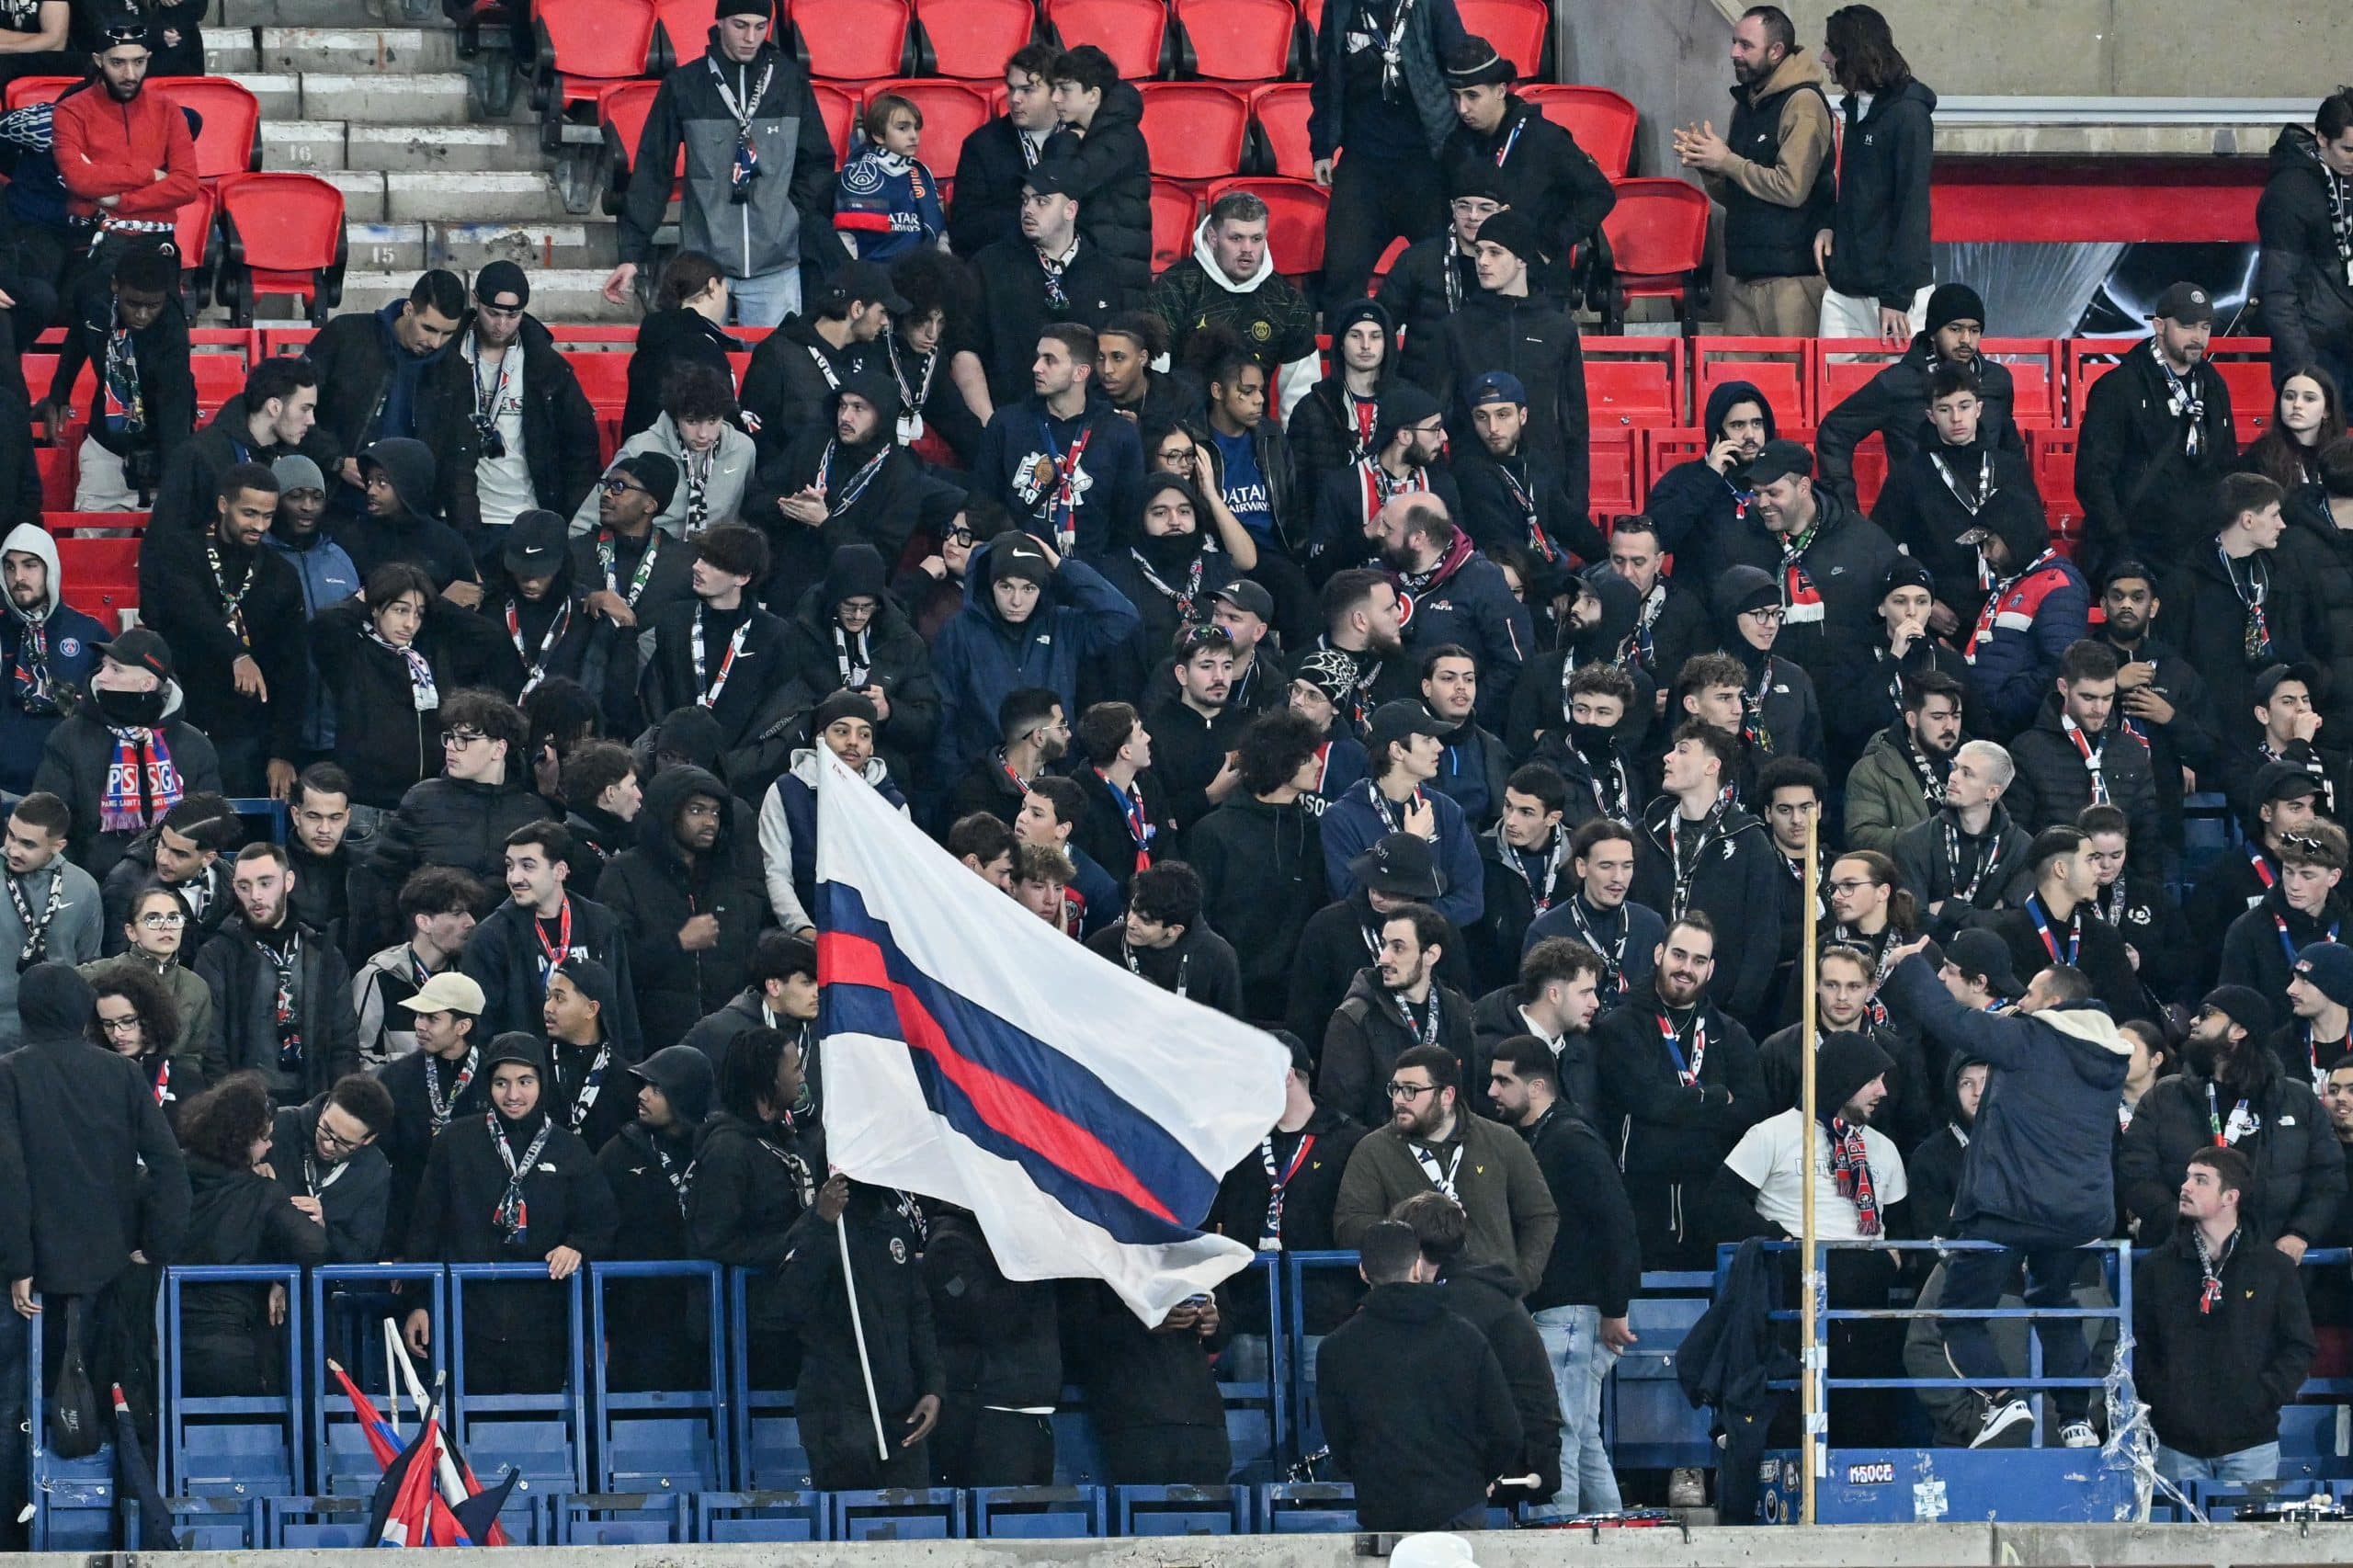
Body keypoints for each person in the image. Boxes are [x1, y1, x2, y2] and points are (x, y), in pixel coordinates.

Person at [1877, 939, 2129, 1447]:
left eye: (2032, 994)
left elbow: (1947, 1019)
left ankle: (2002, 1401)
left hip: (2009, 1210)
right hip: (2079, 1216)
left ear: (2055, 1004)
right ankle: (2076, 1419)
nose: (2023, 1002)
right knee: (2054, 1306)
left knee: (1959, 1315)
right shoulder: (2110, 1059)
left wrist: (1912, 967)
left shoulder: (2031, 1039)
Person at [0, 961, 188, 1518]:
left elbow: (8, 1177)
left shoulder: (9, 1073)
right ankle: (126, 1521)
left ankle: (12, 1528)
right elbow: (167, 1166)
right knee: (121, 1400)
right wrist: (154, 1245)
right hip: (113, 1269)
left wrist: (18, 1263)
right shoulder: (123, 1075)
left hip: (28, 1280)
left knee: (14, 1403)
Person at [604, 0, 843, 327]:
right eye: (740, 25)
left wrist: (789, 214)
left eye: (760, 27)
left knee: (771, 370)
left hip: (775, 263)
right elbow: (653, 171)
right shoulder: (685, 84)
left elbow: (817, 161)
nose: (750, 37)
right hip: (704, 264)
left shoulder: (790, 82)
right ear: (719, 22)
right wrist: (631, 254)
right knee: (697, 370)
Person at [404, 1033, 617, 1392]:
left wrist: (577, 1245)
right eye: (502, 1083)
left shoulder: (569, 1149)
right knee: (466, 1426)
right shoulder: (454, 1142)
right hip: (465, 1318)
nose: (513, 1095)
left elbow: (601, 1219)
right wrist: (418, 1302)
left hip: (542, 1323)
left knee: (534, 1432)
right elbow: (425, 1227)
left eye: (525, 1082)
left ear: (542, 1083)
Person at [1484, 1032, 1637, 1517]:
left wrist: (1615, 1307)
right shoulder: (1545, 1136)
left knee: (1561, 1431)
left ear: (1536, 1086)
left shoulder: (1570, 1139)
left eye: (1501, 1081)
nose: (1491, 1092)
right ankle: (1616, 1547)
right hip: (1565, 1310)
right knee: (1583, 1433)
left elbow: (1617, 1223)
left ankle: (1560, 1548)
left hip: (1572, 1311)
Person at [1315, 1219, 1521, 1532]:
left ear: (1363, 1272)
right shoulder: (1465, 1337)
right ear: (1416, 1267)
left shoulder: (1335, 1348)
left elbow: (1341, 1444)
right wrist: (1475, 1479)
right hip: (1459, 1506)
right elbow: (1507, 1431)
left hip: (1382, 1513)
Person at [1592, 913, 1768, 1267]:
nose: (1686, 968)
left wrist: (1675, 1108)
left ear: (1711, 970)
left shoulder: (1731, 1034)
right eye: (1679, 955)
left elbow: (1752, 1111)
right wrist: (1715, 1097)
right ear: (1659, 954)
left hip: (1711, 1202)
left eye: (1698, 960)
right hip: (1639, 1200)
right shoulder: (1620, 1025)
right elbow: (1648, 1100)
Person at [2135, 1145, 2316, 1485]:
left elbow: (2299, 1346)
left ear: (2230, 1196)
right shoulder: (2157, 1268)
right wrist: (2164, 1402)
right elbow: (2139, 1345)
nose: (2185, 1187)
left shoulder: (2272, 1268)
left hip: (2251, 1443)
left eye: (2200, 1180)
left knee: (2250, 1539)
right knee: (2177, 1540)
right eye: (2187, 1178)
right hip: (2176, 1444)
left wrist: (2261, 1398)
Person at [2122, 983, 2342, 1251]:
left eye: (2206, 1014)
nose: (2193, 1020)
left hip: (2272, 1266)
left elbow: (2327, 1177)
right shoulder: (2164, 1096)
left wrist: (2300, 1233)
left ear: (2239, 1030)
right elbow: (2136, 1172)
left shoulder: (2298, 1100)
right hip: (2181, 1260)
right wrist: (2181, 1226)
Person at [137, 462, 308, 796]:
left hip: (247, 736)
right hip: (177, 724)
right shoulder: (180, 552)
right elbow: (188, 611)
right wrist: (237, 654)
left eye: (268, 516)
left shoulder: (280, 574)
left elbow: (294, 669)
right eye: (249, 513)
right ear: (222, 505)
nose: (259, 526)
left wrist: (283, 751)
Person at [1333, 1042, 1557, 1292]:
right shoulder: (1373, 1150)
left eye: (1411, 1090)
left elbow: (1540, 1215)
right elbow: (1349, 1226)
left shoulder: (1501, 1141)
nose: (1398, 1100)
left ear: (1447, 1096)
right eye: (1395, 1089)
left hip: (1491, 1303)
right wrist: (1413, 1224)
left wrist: (1522, 1279)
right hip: (1415, 1305)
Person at [774, 1173, 943, 1489]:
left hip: (901, 1410)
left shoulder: (896, 1228)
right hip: (837, 1409)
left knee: (913, 1529)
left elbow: (918, 1314)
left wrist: (932, 1386)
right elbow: (787, 1306)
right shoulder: (814, 1227)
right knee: (854, 1528)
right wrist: (822, 1226)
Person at [1671, 6, 1832, 336]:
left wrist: (1727, 161)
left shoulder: (1803, 102)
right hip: (1745, 280)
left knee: (1793, 386)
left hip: (1793, 284)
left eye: (1745, 45)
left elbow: (1791, 188)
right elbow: (1738, 195)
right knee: (1734, 386)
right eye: (1734, 42)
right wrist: (1709, 165)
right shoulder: (1746, 105)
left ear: (1776, 51)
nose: (1734, 53)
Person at [167, 1073, 330, 1397]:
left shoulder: (164, 1176)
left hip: (156, 1339)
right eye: (265, 1137)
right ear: (243, 1140)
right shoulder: (261, 1192)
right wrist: (281, 1277)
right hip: (228, 1345)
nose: (270, 1145)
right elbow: (313, 1246)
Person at [305, 563, 506, 813]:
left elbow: (490, 636)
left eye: (418, 614)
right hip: (370, 807)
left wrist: (432, 601)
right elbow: (323, 624)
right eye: (400, 610)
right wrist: (366, 597)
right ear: (376, 608)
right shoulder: (352, 653)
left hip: (430, 804)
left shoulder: (432, 652)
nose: (410, 623)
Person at [1306, 0, 1469, 309]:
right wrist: (1323, 146)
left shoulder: (1432, 4)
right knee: (1341, 278)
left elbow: (1460, 67)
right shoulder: (1340, 6)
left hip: (1427, 166)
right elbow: (1328, 75)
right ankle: (1345, 354)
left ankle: (1438, 354)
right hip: (1363, 166)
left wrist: (1463, 152)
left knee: (1443, 278)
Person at [32, 628, 222, 881]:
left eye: (116, 669)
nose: (101, 677)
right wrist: (79, 886)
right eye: (103, 666)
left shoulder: (195, 746)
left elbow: (209, 830)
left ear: (147, 683)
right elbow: (47, 824)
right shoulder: (68, 738)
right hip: (90, 886)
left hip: (175, 888)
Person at [2078, 282, 2240, 576]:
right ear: (2159, 326)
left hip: (2200, 552)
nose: (2198, 338)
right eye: (2187, 326)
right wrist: (2121, 546)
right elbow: (2093, 478)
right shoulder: (2118, 387)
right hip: (2136, 551)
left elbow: (2226, 466)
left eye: (2205, 327)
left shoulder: (2214, 385)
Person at [300, 273, 480, 533]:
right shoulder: (346, 335)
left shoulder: (455, 373)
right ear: (409, 310)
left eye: (447, 333)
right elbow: (291, 408)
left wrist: (466, 545)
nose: (436, 343)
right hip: (332, 506)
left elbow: (460, 464)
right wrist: (336, 461)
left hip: (407, 522)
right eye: (428, 328)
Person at [1186, 710, 1331, 1022]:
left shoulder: (1315, 831)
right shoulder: (1214, 832)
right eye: (1307, 758)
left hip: (1297, 1002)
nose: (1318, 764)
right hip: (1231, 1002)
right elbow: (1200, 922)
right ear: (1280, 761)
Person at [1441, 37, 1614, 295]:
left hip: (1539, 286)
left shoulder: (1545, 139)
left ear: (1501, 91)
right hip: (1475, 282)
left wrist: (1549, 246)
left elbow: (1600, 194)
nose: (1463, 108)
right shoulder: (1456, 144)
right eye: (1455, 97)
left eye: (1472, 96)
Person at [1631, 723, 1779, 1024]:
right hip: (1645, 1006)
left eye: (1682, 750)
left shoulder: (1750, 841)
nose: (1667, 758)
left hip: (1719, 1013)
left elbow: (1763, 937)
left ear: (1712, 767)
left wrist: (1737, 1010)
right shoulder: (1646, 833)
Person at [1442, 210, 1589, 511]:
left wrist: (1576, 498)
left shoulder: (1558, 329)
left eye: (1495, 253)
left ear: (1522, 259)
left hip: (1546, 483)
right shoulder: (1457, 327)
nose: (1482, 261)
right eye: (1479, 252)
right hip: (1475, 487)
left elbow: (1575, 421)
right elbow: (1440, 411)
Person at [1746, 437, 1900, 719]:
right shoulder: (1746, 539)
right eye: (1757, 493)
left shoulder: (1860, 539)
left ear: (1803, 487)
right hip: (1775, 701)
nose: (1762, 503)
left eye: (1773, 493)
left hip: (1847, 702)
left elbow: (1899, 597)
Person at [1864, 360, 2037, 608]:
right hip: (1938, 608)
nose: (1956, 418)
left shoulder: (2011, 467)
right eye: (1944, 409)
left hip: (2009, 600)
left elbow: (2033, 537)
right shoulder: (1909, 475)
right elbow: (1880, 548)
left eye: (1964, 406)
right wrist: (1925, 601)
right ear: (1930, 416)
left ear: (1979, 409)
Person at [198, 842, 359, 1106]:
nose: (255, 896)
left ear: (289, 881)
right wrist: (228, 1107)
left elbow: (344, 1043)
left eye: (266, 883)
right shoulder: (218, 954)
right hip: (245, 1106)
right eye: (244, 886)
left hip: (314, 1103)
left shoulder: (323, 953)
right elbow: (211, 1046)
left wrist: (340, 1105)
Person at [597, 1043, 715, 1392]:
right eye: (644, 1086)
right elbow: (599, 1237)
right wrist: (600, 1325)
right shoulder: (617, 1154)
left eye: (657, 1089)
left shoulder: (718, 1150)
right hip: (636, 1319)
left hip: (704, 1318)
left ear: (685, 1096)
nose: (643, 1096)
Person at [1811, 5, 1934, 342]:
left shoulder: (1908, 115)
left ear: (1853, 53)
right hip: (1845, 289)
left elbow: (1912, 211)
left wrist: (1896, 298)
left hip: (1895, 297)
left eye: (1831, 49)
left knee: (1903, 392)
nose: (1823, 57)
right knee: (1828, 387)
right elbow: (1860, 192)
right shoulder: (1856, 108)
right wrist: (1831, 224)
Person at [773, 544, 938, 790]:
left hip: (882, 777)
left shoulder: (904, 642)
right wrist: (826, 710)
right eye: (849, 606)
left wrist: (889, 711)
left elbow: (928, 722)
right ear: (833, 600)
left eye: (867, 606)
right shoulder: (798, 635)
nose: (858, 615)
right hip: (810, 771)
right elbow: (776, 711)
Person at [966, 165, 1129, 411]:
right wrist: (989, 424)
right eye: (1025, 200)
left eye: (1041, 201)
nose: (1028, 209)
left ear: (1070, 210)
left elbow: (1118, 354)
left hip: (1086, 425)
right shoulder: (989, 266)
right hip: (1010, 421)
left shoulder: (1105, 273)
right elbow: (965, 350)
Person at [462, 819, 639, 1046]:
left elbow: (622, 1007)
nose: (514, 878)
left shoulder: (601, 923)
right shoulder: (491, 937)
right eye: (509, 866)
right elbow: (484, 1027)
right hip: (529, 1073)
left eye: (528, 866)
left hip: (597, 1069)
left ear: (560, 871)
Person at [457, 262, 601, 539]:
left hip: (524, 512)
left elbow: (581, 445)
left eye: (513, 316)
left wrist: (571, 516)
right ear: (475, 300)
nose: (501, 325)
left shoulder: (546, 366)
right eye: (493, 313)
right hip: (458, 512)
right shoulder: (450, 352)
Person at [975, 324, 1143, 559]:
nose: (1036, 367)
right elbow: (984, 499)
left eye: (1049, 360)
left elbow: (1127, 518)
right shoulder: (1006, 423)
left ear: (1080, 373)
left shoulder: (1118, 433)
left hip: (1089, 573)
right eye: (1037, 358)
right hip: (1016, 568)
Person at [1148, 190, 1320, 416]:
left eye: (1256, 238)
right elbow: (1154, 377)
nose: (1247, 249)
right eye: (1236, 238)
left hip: (1253, 435)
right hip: (1185, 430)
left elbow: (1301, 397)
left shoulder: (1286, 299)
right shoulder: (1175, 286)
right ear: (1212, 237)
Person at [51, 16, 196, 278]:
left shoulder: (168, 109)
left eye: (138, 62)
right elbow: (79, 180)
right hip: (92, 238)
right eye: (118, 63)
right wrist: (149, 175)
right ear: (99, 61)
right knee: (95, 307)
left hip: (155, 242)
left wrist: (120, 200)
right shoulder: (70, 110)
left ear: (148, 58)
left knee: (166, 316)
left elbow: (186, 185)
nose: (130, 75)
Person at [1322, 699, 1484, 932]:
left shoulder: (1446, 810)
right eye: (1428, 739)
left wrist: (1414, 925)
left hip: (1434, 953)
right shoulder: (1341, 819)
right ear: (1397, 750)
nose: (1439, 747)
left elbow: (1471, 901)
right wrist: (1411, 845)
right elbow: (1353, 902)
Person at [46, 247, 189, 510]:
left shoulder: (173, 330)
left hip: (159, 443)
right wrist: (60, 390)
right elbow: (78, 335)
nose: (143, 315)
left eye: (153, 305)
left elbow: (175, 407)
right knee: (89, 547)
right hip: (105, 443)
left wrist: (174, 479)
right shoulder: (89, 291)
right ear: (115, 286)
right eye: (133, 304)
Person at [640, 524, 794, 762]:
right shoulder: (675, 619)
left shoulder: (773, 634)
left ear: (742, 577)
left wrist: (732, 766)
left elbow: (773, 713)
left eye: (713, 563)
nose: (697, 567)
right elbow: (655, 692)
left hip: (736, 772)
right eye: (701, 557)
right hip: (668, 764)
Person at [2097, 562, 2221, 855]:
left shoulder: (2176, 669)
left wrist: (2171, 718)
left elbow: (2211, 750)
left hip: (2160, 817)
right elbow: (2055, 720)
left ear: (2153, 607)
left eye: (2137, 597)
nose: (2126, 604)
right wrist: (2111, 685)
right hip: (2092, 808)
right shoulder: (2080, 660)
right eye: (2117, 596)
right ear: (2103, 605)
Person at [1378, 497, 1533, 725]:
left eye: (1388, 527)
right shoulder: (1382, 574)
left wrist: (1464, 715)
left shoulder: (1482, 580)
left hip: (1454, 732)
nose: (1378, 531)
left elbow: (1513, 661)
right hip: (1394, 723)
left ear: (1418, 539)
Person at [1318, 900, 1474, 1125]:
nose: (1383, 958)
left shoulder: (1458, 1010)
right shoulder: (1356, 1016)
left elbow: (1467, 1098)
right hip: (1382, 1153)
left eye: (1398, 948)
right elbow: (1341, 1114)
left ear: (1431, 954)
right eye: (1385, 945)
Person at [2004, 640, 2162, 850]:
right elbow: (2016, 841)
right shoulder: (2027, 750)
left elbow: (2147, 841)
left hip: (2118, 881)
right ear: (2063, 688)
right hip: (2053, 879)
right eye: (2088, 697)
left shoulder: (2132, 751)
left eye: (2107, 698)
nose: (2099, 709)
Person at [1959, 489, 2088, 739]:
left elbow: (2059, 666)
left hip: (2017, 734)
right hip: (1990, 727)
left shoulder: (2058, 584)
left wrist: (2003, 707)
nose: (1985, 554)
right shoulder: (2014, 583)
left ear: (2015, 535)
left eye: (1990, 543)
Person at [580, 366, 756, 538]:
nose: (703, 434)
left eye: (712, 421)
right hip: (652, 555)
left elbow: (743, 516)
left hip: (716, 556)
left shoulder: (743, 450)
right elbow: (590, 516)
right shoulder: (640, 448)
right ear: (675, 416)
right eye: (691, 421)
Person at [152, 356, 319, 537]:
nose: (311, 421)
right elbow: (166, 537)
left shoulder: (297, 457)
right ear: (274, 407)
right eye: (305, 409)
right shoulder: (199, 454)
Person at [1377, 162, 1504, 396]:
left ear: (1503, 211)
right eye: (1464, 206)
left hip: (1493, 398)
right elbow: (1381, 324)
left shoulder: (1516, 265)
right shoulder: (1418, 259)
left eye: (1485, 208)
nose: (1473, 217)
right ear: (1452, 208)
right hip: (1421, 393)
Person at [1310, 389, 1461, 583]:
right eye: (1434, 429)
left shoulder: (1441, 485)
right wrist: (1366, 534)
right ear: (1405, 435)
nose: (1444, 437)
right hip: (1362, 602)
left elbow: (1461, 552)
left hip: (1431, 599)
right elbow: (1317, 569)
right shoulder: (1342, 485)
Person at [2256, 90, 2353, 391]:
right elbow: (2278, 294)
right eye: (2349, 149)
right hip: (2316, 356)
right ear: (2322, 139)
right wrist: (2306, 371)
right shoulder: (2290, 194)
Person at [0, 524, 104, 798]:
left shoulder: (88, 632)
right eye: (10, 567)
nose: (18, 577)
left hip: (68, 789)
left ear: (50, 568)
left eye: (29, 565)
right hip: (5, 787)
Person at [1646, 381, 1779, 593]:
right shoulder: (1684, 478)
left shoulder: (1781, 479)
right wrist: (1710, 477)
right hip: (1702, 618)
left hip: (1766, 616)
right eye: (1738, 425)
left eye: (1757, 424)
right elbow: (1656, 540)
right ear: (1717, 432)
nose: (1750, 435)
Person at [1893, 739, 2032, 939]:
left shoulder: (2021, 847)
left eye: (1967, 773)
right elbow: (1914, 921)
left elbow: (2015, 924)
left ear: (1992, 792)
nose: (1953, 777)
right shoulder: (1913, 842)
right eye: (1954, 767)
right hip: (1932, 957)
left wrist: (1948, 910)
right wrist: (1986, 918)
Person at [1524, 816, 1665, 1010]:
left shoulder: (1651, 925)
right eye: (1606, 866)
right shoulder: (1545, 932)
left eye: (1627, 866)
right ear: (1582, 867)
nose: (1619, 877)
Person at [2219, 818, 2351, 1022]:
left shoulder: (2348, 927)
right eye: (2288, 871)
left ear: (2333, 877)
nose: (2294, 885)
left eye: (2307, 876)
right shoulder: (2247, 930)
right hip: (2271, 1050)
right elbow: (2234, 1011)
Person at [0, 793, 101, 1054]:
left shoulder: (84, 888)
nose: (13, 849)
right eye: (11, 835)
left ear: (58, 846)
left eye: (27, 844)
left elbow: (91, 965)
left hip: (56, 1039)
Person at [948, 41, 1064, 257]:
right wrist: (1034, 219)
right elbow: (965, 227)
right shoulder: (982, 145)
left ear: (1056, 92)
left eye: (1027, 90)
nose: (1014, 99)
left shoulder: (1083, 140)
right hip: (1008, 267)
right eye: (1012, 88)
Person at [1086, 861, 1245, 1017]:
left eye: (1145, 920)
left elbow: (1230, 1033)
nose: (1131, 923)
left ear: (1174, 930)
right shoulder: (1102, 945)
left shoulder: (1218, 958)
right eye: (1133, 909)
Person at [265, 1073, 393, 1265]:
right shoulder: (278, 1128)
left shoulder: (374, 1169)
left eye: (344, 1142)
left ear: (368, 1139)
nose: (328, 1145)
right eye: (326, 1129)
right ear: (325, 1107)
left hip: (326, 1283)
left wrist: (324, 1228)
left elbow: (362, 1253)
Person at [96, 792, 235, 961]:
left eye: (179, 854)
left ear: (208, 858)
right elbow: (118, 964)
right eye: (162, 843)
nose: (162, 859)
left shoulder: (228, 878)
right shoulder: (127, 883)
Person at [1472, 766, 1576, 988]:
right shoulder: (1481, 852)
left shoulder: (1579, 857)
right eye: (1508, 806)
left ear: (1552, 818)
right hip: (1498, 986)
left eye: (1526, 812)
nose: (1511, 820)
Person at [1287, 299, 1396, 511]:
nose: (1366, 345)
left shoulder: (1406, 403)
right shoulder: (1311, 408)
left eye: (1375, 336)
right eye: (1356, 335)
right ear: (1341, 342)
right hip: (1332, 527)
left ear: (1387, 343)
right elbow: (1298, 487)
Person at [1141, 625, 1250, 835]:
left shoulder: (1249, 726)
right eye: (1207, 666)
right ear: (1182, 674)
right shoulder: (1153, 732)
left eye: (1227, 666)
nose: (1219, 677)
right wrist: (1209, 796)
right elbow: (1151, 814)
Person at [620, 252, 737, 440]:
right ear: (713, 286)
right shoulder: (704, 350)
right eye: (726, 289)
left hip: (639, 458)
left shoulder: (651, 342)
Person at [1845, 669, 1963, 855]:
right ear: (1912, 719)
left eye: (1956, 716)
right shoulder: (1873, 770)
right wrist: (1931, 839)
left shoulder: (1974, 764)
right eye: (1938, 717)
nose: (1950, 726)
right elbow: (1861, 838)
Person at [84, 947, 208, 1121]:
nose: (117, 1033)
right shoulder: (93, 1080)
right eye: (108, 1024)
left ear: (152, 1016)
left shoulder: (188, 1084)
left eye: (127, 1021)